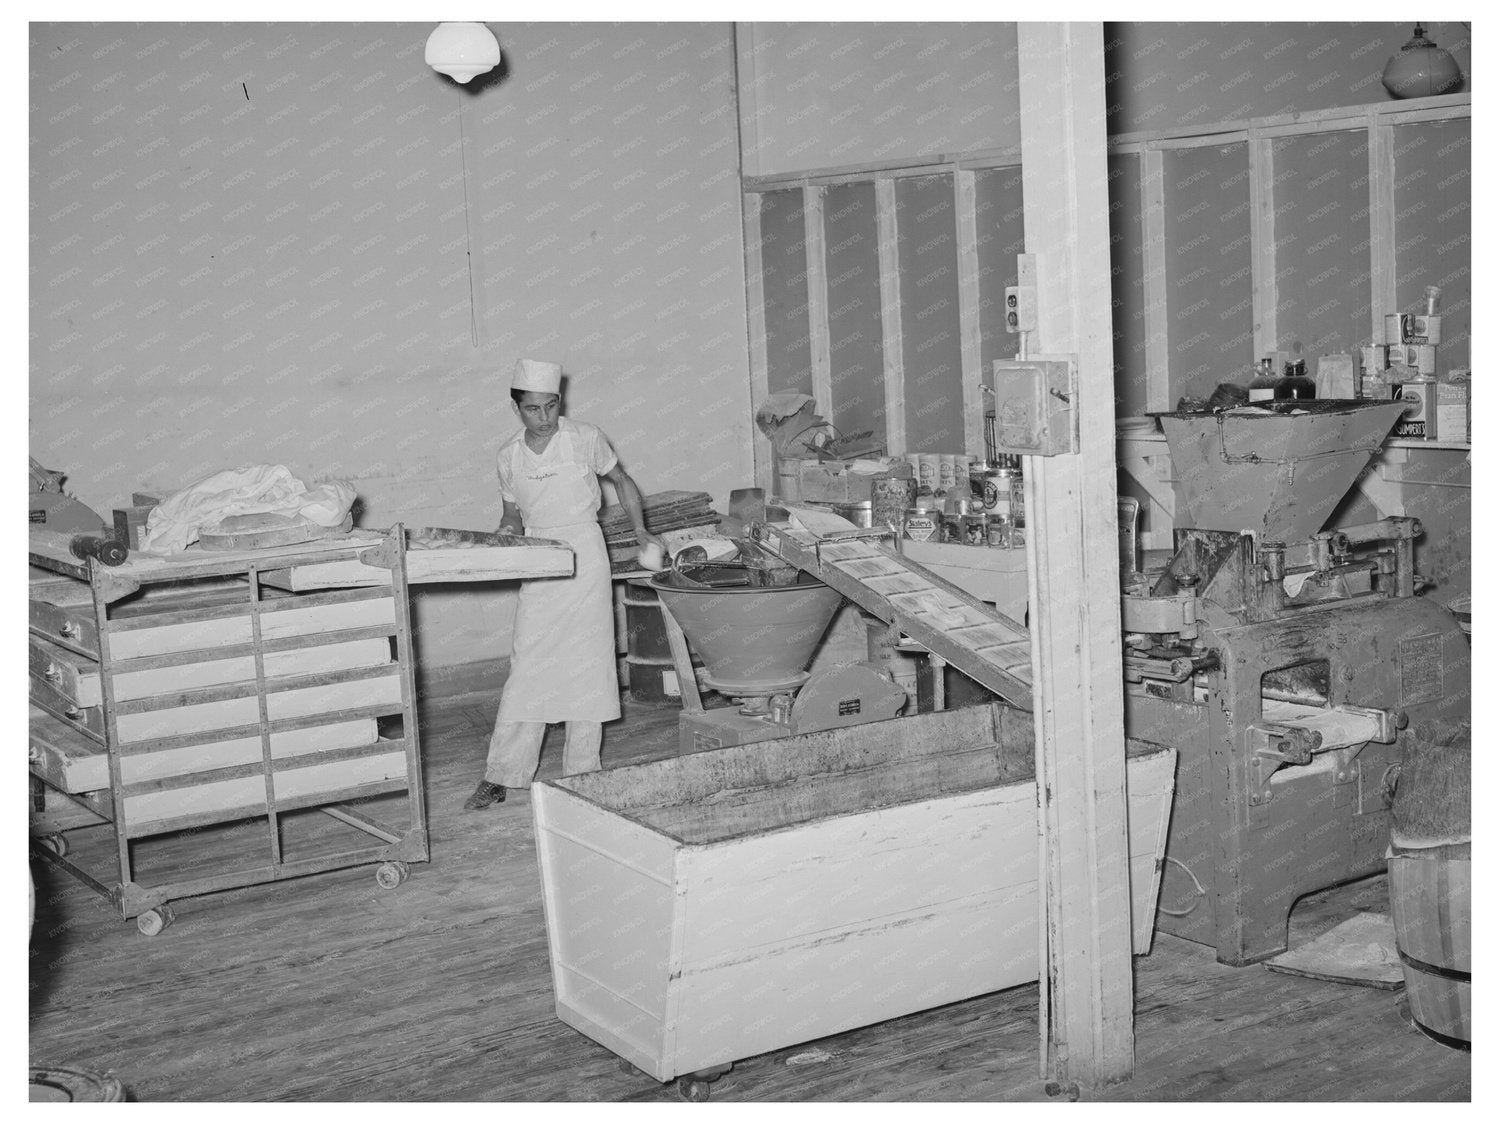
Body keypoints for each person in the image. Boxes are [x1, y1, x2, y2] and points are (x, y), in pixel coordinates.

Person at [464, 359, 665, 810]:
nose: (545, 417)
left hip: (584, 552)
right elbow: (512, 513)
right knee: (528, 665)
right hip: (541, 553)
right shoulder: (508, 456)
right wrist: (507, 531)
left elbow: (621, 480)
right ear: (517, 408)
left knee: (588, 662)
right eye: (534, 409)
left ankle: (582, 774)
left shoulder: (585, 438)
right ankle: (503, 774)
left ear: (560, 402)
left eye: (551, 406)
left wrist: (641, 531)